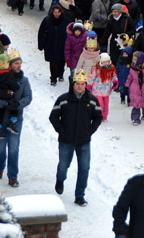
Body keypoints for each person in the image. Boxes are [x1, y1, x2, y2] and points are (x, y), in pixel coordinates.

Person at [49, 68, 103, 207]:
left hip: (83, 141)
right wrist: (62, 131)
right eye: (77, 83)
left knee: (84, 168)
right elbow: (53, 117)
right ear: (73, 84)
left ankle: (80, 196)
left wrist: (89, 131)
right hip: (66, 141)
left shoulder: (92, 101)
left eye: (82, 84)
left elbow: (98, 118)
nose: (80, 86)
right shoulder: (63, 99)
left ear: (86, 85)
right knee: (63, 165)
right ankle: (60, 180)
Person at [0, 48, 31, 188]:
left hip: (15, 120)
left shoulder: (24, 80)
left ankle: (13, 176)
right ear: (9, 65)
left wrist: (17, 105)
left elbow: (28, 97)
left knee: (13, 148)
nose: (19, 66)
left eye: (20, 63)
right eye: (16, 63)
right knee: (0, 147)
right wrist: (4, 104)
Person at [0, 52, 21, 138]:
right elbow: (15, 86)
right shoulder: (9, 75)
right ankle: (13, 122)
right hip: (8, 96)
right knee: (14, 107)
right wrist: (17, 84)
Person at [38, 4, 69, 85]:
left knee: (61, 61)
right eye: (55, 12)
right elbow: (41, 32)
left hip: (62, 45)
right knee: (53, 62)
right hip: (50, 45)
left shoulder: (65, 20)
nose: (57, 14)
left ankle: (60, 73)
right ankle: (53, 78)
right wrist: (41, 44)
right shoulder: (47, 20)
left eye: (58, 12)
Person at [127, 51, 144, 125]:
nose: (133, 61)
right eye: (133, 59)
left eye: (135, 59)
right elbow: (130, 77)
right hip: (134, 89)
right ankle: (135, 119)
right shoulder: (132, 68)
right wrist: (127, 85)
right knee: (136, 105)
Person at [87, 52, 116, 121]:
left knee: (106, 105)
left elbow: (114, 76)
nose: (106, 63)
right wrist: (89, 85)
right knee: (100, 104)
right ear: (100, 62)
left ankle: (104, 116)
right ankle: (98, 116)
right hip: (97, 90)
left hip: (106, 90)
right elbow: (91, 77)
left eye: (107, 62)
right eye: (104, 62)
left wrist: (115, 82)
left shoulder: (111, 69)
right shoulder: (96, 69)